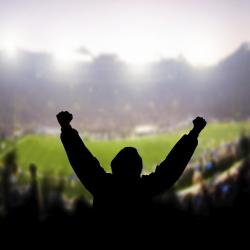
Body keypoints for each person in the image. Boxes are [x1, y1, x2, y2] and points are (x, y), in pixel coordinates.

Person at [56, 111, 206, 218]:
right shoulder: (144, 189)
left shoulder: (103, 187)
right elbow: (171, 168)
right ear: (138, 169)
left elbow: (83, 161)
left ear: (114, 166)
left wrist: (66, 128)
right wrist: (194, 133)